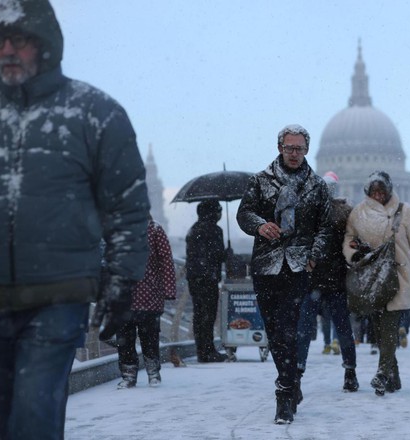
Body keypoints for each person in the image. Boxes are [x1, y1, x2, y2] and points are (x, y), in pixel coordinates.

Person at [0, 0, 150, 438]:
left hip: (57, 296)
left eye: (19, 40)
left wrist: (121, 284)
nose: (7, 51)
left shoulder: (94, 113)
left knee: (33, 415)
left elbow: (128, 209)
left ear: (44, 46)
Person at [237, 124, 331, 424]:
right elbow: (244, 213)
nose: (294, 153)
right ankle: (293, 381)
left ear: (307, 150)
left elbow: (326, 228)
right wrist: (260, 225)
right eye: (289, 148)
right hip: (266, 265)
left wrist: (313, 257)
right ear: (280, 148)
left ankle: (284, 393)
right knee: (275, 332)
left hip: (298, 266)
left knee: (288, 329)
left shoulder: (317, 186)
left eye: (299, 148)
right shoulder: (260, 181)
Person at [343, 171, 410, 396]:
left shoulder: (406, 212)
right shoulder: (358, 213)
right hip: (373, 278)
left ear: (390, 190)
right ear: (367, 192)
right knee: (380, 329)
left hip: (399, 278)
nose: (379, 195)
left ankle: (382, 374)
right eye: (374, 191)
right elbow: (349, 239)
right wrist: (354, 253)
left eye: (382, 191)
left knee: (390, 327)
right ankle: (394, 377)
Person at [296, 171, 358, 395]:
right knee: (343, 328)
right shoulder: (344, 215)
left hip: (312, 279)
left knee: (303, 329)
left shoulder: (306, 213)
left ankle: (298, 371)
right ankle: (350, 371)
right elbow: (350, 246)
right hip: (335, 280)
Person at [116, 216, 177, 389]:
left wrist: (168, 289)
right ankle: (130, 374)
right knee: (125, 338)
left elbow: (166, 260)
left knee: (148, 336)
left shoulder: (154, 230)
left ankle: (152, 372)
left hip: (148, 295)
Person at [186, 200, 227, 363]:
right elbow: (217, 254)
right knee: (208, 315)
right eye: (219, 211)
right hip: (208, 277)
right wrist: (227, 253)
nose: (220, 214)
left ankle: (201, 351)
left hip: (194, 278)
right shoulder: (215, 230)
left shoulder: (193, 229)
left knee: (199, 314)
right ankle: (209, 350)